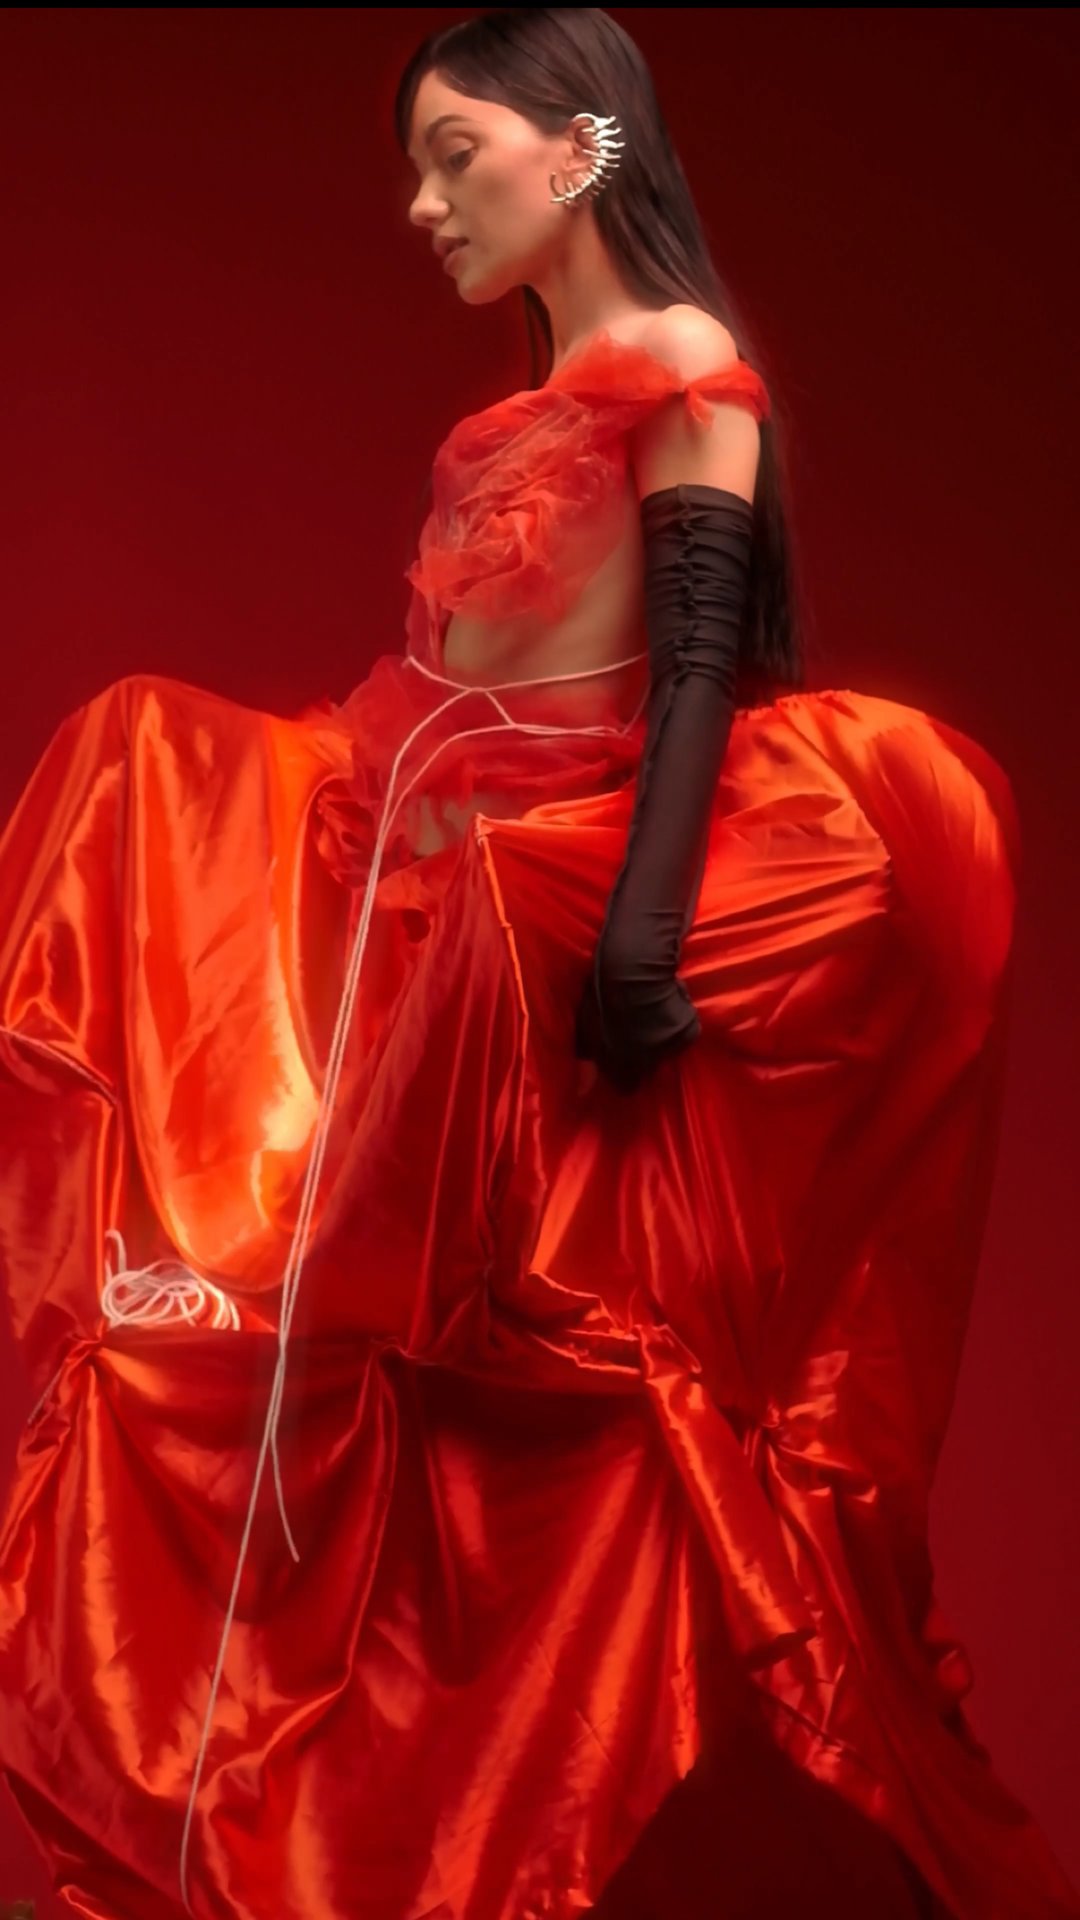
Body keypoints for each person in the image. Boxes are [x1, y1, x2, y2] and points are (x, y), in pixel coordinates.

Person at [0, 8, 1076, 1918]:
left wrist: (639, 932)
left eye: (454, 154)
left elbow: (696, 678)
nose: (424, 204)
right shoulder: (526, 391)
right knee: (137, 752)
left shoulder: (688, 369)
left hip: (556, 874)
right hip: (412, 836)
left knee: (477, 1368)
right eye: (415, 166)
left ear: (578, 150)